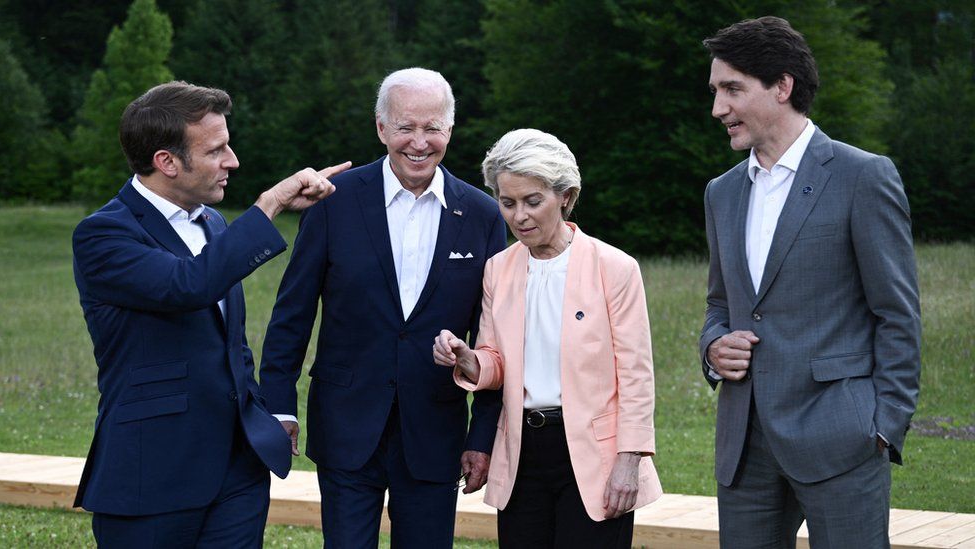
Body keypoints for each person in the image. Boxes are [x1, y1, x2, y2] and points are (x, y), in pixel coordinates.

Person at [71, 81, 349, 547]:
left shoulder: (212, 221)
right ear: (167, 162)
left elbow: (230, 342)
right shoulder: (103, 235)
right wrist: (270, 204)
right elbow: (189, 286)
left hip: (237, 471)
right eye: (217, 150)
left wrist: (263, 413)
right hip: (152, 474)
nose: (232, 161)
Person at [258, 67, 507, 548]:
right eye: (406, 127)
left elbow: (495, 336)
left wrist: (482, 437)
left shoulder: (482, 215)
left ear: (450, 131)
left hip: (435, 432)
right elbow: (293, 312)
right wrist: (279, 408)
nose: (419, 142)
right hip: (345, 424)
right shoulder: (332, 202)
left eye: (432, 127)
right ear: (381, 128)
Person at [700, 17, 922, 548]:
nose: (717, 108)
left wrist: (883, 424)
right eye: (715, 91)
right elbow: (720, 304)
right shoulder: (721, 192)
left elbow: (897, 314)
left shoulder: (863, 176)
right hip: (744, 444)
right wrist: (713, 348)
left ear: (783, 86)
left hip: (842, 440)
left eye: (732, 89)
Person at [434, 128, 663, 548]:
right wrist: (468, 360)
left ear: (567, 197)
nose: (519, 216)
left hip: (597, 456)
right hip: (522, 451)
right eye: (508, 203)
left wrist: (629, 461)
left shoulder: (615, 267)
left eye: (533, 201)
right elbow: (495, 361)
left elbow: (635, 375)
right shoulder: (497, 269)